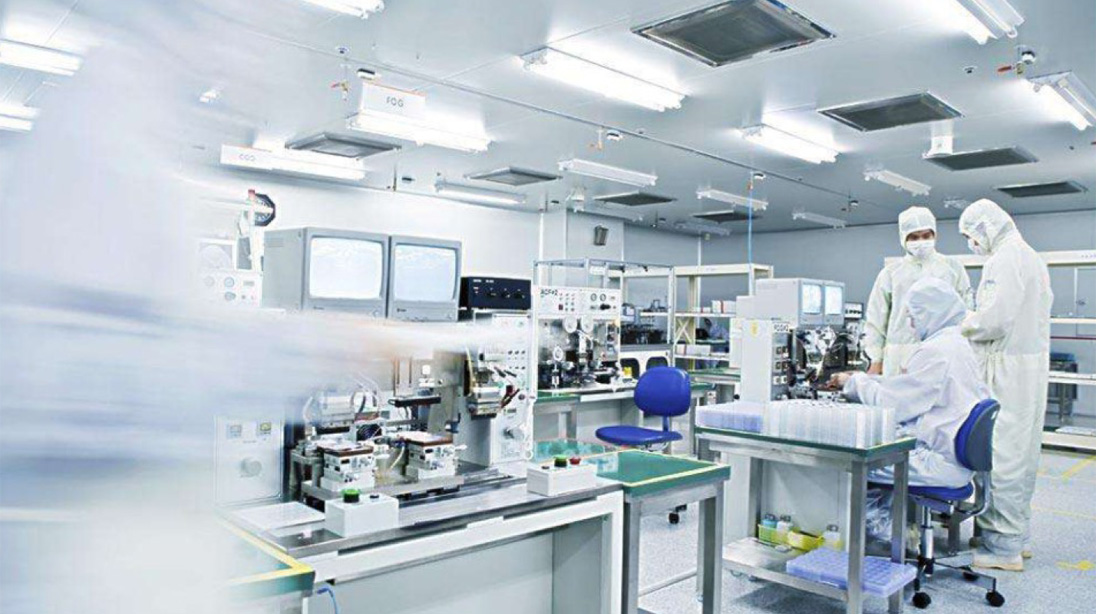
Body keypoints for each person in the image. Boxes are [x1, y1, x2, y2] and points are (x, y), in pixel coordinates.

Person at [832, 277, 989, 542]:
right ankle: (894, 528)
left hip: (939, 462)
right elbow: (910, 388)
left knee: (846, 464)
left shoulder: (936, 351)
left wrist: (854, 383)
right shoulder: (956, 344)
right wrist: (868, 381)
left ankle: (892, 534)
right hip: (957, 459)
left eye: (914, 315)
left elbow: (895, 405)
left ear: (932, 312)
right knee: (886, 449)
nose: (910, 323)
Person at [959, 199, 1052, 572]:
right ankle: (1016, 536)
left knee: (1001, 457)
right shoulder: (1030, 256)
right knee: (1022, 454)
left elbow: (993, 321)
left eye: (970, 236)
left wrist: (962, 320)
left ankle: (1002, 549)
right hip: (1026, 370)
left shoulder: (1004, 259)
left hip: (1005, 370)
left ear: (985, 228)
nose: (972, 244)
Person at [864, 206, 971, 377]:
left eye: (926, 236)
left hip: (943, 352)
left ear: (934, 235)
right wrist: (876, 359)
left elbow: (965, 310)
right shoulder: (891, 273)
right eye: (914, 237)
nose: (921, 241)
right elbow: (876, 318)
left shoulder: (952, 268)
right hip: (900, 355)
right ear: (903, 238)